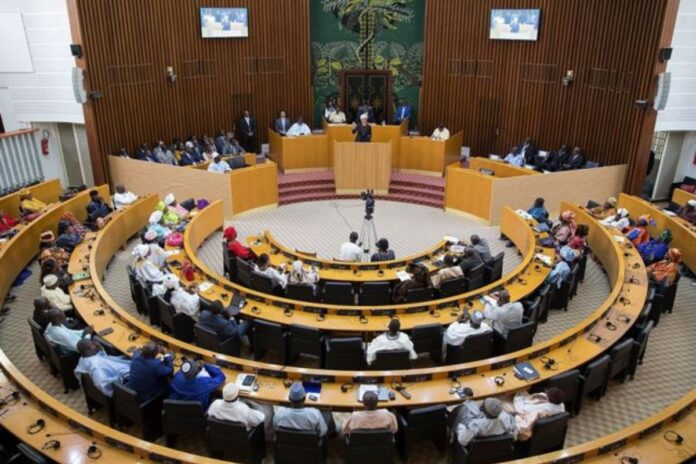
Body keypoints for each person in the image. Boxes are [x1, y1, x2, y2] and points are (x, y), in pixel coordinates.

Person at [453, 397, 517, 447]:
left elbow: (462, 441)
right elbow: (514, 437)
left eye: (483, 404)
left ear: (486, 412)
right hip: (495, 454)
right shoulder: (506, 420)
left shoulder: (475, 426)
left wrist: (461, 426)